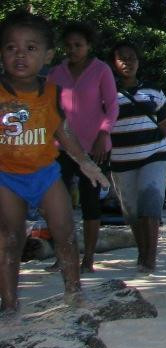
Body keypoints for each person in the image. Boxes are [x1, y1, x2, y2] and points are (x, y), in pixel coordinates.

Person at [0, 12, 109, 313]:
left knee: (64, 232)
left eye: (31, 48)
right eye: (11, 48)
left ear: (47, 55)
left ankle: (74, 293)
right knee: (8, 240)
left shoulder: (51, 92)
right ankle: (9, 304)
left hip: (46, 175)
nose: (20, 54)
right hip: (6, 177)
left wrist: (86, 163)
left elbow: (64, 131)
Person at [45, 21, 119, 272]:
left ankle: (88, 258)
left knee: (90, 203)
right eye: (68, 46)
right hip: (61, 146)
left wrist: (103, 133)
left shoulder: (101, 70)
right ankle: (63, 256)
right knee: (59, 203)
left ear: (88, 46)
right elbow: (49, 108)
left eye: (78, 45)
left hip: (93, 147)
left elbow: (112, 106)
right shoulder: (56, 73)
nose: (73, 49)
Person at [109, 40, 166, 273]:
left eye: (132, 58)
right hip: (121, 160)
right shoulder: (106, 94)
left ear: (138, 62)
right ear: (114, 63)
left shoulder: (153, 91)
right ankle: (142, 253)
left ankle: (150, 259)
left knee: (151, 205)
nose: (127, 62)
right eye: (122, 58)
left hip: (154, 154)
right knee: (132, 212)